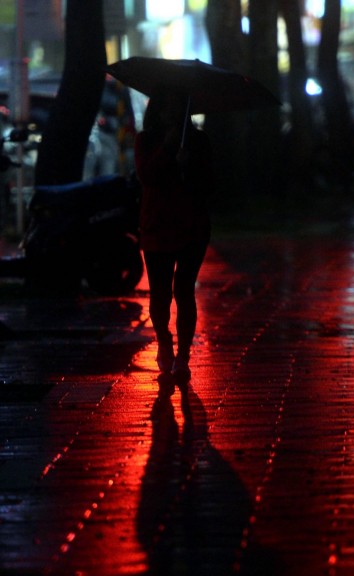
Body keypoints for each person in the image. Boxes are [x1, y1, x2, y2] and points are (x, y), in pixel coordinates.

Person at [134, 87, 214, 383]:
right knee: (160, 293)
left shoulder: (198, 141)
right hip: (158, 224)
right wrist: (168, 149)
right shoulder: (146, 140)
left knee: (184, 290)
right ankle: (164, 340)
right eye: (164, 108)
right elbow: (147, 176)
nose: (170, 113)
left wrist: (188, 165)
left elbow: (208, 183)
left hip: (192, 225)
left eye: (176, 108)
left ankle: (183, 355)